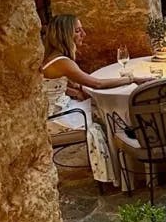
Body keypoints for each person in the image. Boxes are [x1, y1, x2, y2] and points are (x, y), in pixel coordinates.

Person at [42, 14, 142, 182]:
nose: (84, 34)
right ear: (65, 34)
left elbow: (55, 85)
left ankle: (127, 156)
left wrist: (76, 90)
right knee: (106, 116)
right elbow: (97, 84)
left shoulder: (53, 58)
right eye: (78, 31)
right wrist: (133, 79)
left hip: (57, 107)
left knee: (100, 107)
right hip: (55, 117)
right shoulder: (62, 62)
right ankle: (123, 166)